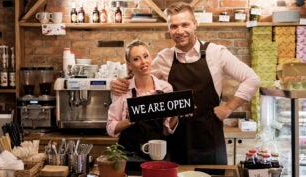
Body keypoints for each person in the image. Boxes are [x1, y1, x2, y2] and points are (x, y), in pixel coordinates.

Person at [110, 2, 261, 167]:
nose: (179, 31)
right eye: (174, 26)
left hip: (209, 140)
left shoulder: (216, 53)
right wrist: (118, 82)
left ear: (195, 24)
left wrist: (229, 107)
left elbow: (252, 78)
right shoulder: (164, 58)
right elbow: (141, 77)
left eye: (184, 25)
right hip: (175, 142)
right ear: (169, 29)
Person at [106, 39, 178, 158]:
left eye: (145, 56)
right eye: (136, 59)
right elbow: (110, 128)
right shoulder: (123, 89)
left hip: (157, 155)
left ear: (151, 58)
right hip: (128, 156)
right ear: (129, 64)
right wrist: (129, 121)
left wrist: (176, 114)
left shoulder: (165, 88)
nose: (143, 62)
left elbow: (167, 129)